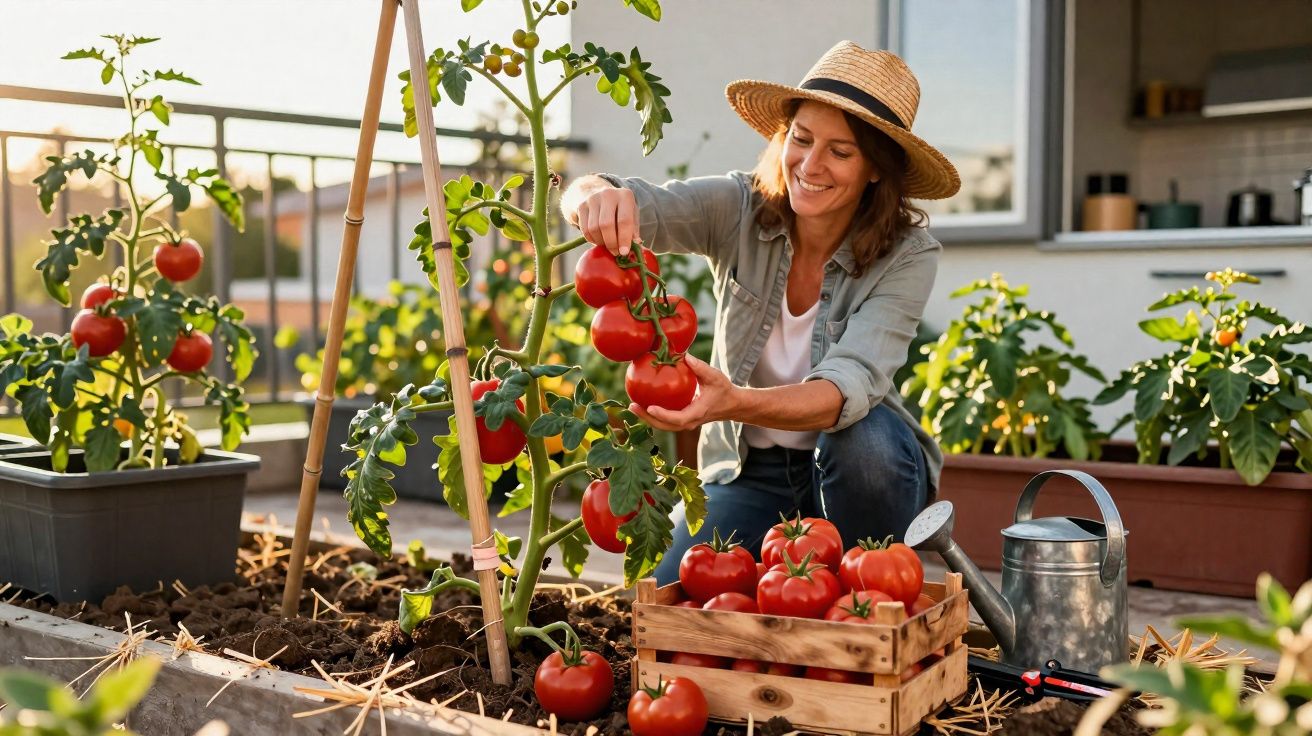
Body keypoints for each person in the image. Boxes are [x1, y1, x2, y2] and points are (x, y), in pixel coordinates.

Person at [559, 41, 960, 584]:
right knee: (674, 590)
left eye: (840, 152)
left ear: (874, 171)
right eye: (802, 139)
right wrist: (592, 196)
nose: (811, 166)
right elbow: (624, 198)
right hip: (747, 470)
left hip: (855, 472)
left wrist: (734, 402)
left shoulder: (908, 256)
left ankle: (865, 582)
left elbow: (847, 387)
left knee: (863, 441)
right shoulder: (739, 207)